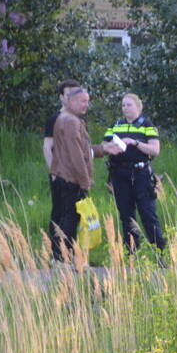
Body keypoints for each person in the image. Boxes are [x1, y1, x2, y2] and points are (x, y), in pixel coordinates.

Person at [48, 87, 120, 261]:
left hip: (62, 176)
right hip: (70, 179)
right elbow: (76, 155)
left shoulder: (65, 119)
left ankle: (62, 256)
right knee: (69, 219)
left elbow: (83, 150)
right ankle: (64, 257)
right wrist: (85, 181)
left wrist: (103, 149)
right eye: (82, 101)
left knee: (65, 217)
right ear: (70, 101)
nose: (86, 105)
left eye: (88, 101)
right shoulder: (71, 121)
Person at [103, 93, 166, 254]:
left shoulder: (146, 124)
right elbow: (104, 144)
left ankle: (160, 253)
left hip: (141, 173)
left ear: (138, 106)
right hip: (120, 173)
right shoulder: (116, 125)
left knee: (148, 214)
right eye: (123, 105)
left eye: (129, 105)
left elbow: (155, 150)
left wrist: (135, 142)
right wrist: (112, 146)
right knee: (126, 215)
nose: (125, 108)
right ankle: (132, 254)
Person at [42, 78, 81, 172]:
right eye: (68, 95)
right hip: (61, 174)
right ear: (61, 97)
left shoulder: (81, 120)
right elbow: (47, 148)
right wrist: (54, 173)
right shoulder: (54, 119)